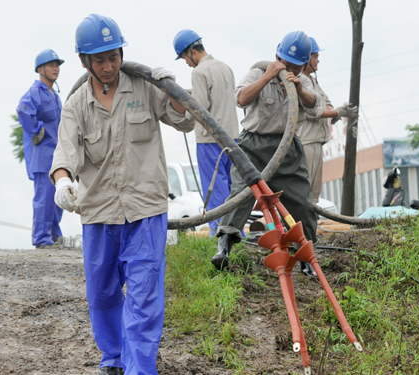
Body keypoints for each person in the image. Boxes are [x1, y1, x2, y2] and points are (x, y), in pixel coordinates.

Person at [50, 14, 194, 375]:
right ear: (84, 61)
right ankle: (113, 358)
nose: (109, 66)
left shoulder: (144, 86)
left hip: (145, 211)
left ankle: (139, 368)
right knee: (103, 294)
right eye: (100, 60)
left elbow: (186, 120)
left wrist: (174, 92)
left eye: (114, 56)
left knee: (145, 296)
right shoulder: (76, 105)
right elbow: (64, 153)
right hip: (99, 213)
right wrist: (63, 183)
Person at [212, 31, 319, 275]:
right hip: (253, 147)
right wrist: (269, 76)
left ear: (304, 66)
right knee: (241, 193)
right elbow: (240, 98)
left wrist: (299, 90)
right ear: (276, 57)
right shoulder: (258, 73)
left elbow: (313, 105)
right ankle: (224, 247)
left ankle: (305, 257)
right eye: (284, 63)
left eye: (295, 66)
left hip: (287, 149)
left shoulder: (303, 81)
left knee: (302, 202)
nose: (288, 69)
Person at [173, 29, 240, 236]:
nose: (186, 63)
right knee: (232, 190)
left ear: (191, 51)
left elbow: (199, 108)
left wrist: (181, 121)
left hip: (209, 140)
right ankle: (236, 233)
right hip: (233, 138)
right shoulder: (225, 67)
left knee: (215, 192)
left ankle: (218, 236)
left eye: (185, 58)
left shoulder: (199, 72)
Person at [297, 37, 358, 203]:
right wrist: (335, 113)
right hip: (306, 142)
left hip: (316, 141)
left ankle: (310, 225)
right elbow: (312, 111)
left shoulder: (313, 81)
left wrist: (335, 113)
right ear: (306, 58)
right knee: (304, 192)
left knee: (314, 193)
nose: (318, 60)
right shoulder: (300, 81)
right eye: (315, 56)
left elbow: (327, 103)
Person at [16, 49, 65, 249]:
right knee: (44, 199)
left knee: (57, 198)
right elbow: (23, 109)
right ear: (40, 69)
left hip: (56, 155)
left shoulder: (54, 94)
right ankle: (41, 238)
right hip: (43, 155)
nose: (56, 69)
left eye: (57, 65)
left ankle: (53, 236)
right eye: (51, 65)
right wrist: (37, 129)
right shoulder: (36, 91)